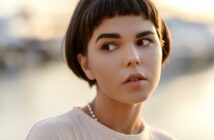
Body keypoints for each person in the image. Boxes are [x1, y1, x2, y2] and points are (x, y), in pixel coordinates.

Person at [26, 0, 177, 139]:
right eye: (110, 46)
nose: (133, 58)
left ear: (162, 47)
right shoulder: (54, 136)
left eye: (144, 42)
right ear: (86, 65)